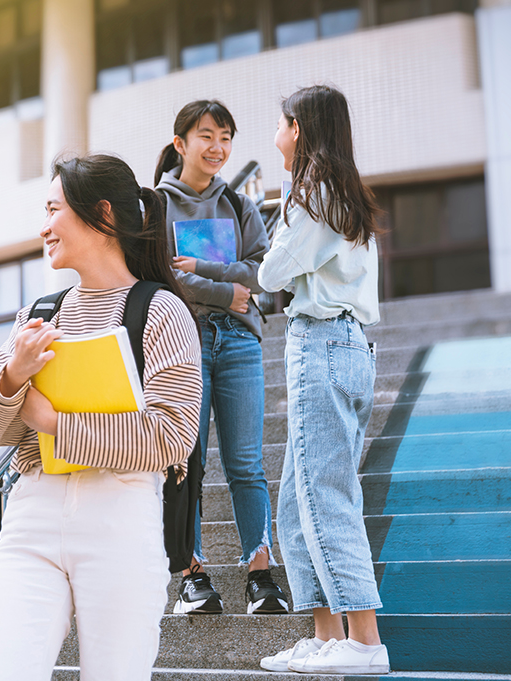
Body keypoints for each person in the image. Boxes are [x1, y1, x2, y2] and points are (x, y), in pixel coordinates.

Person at [0, 154, 203, 681]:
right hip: (31, 516)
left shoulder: (160, 309)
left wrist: (52, 420)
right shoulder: (39, 313)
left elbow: (171, 437)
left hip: (121, 515)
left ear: (101, 215)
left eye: (54, 209)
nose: (44, 225)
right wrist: (12, 380)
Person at [257, 85, 389, 674]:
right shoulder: (334, 191)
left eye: (282, 127)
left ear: (301, 130)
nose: (276, 137)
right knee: (295, 501)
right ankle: (327, 634)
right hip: (341, 344)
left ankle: (364, 642)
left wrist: (284, 211)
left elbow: (272, 270)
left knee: (324, 495)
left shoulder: (318, 195)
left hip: (324, 343)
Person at [153, 100, 287, 615]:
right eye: (206, 136)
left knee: (247, 464)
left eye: (226, 137)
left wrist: (208, 272)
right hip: (183, 343)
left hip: (238, 343)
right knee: (187, 461)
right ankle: (192, 574)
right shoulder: (157, 205)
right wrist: (223, 291)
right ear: (180, 142)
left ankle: (259, 573)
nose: (218, 148)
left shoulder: (238, 204)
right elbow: (164, 275)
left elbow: (260, 274)